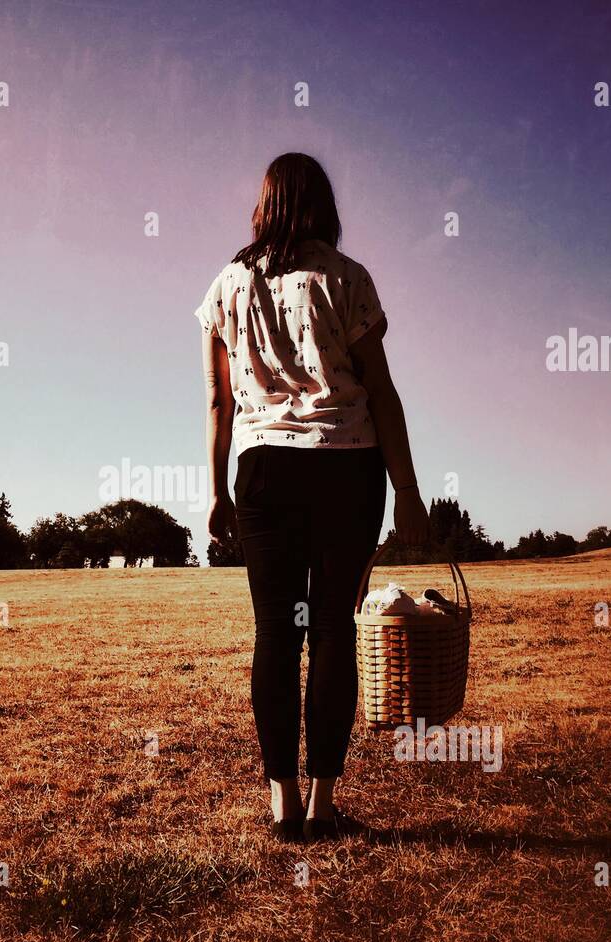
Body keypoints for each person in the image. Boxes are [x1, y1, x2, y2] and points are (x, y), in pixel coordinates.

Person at [196, 152, 430, 842]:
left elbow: (218, 400)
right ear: (324, 205)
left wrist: (216, 491)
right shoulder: (347, 279)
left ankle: (282, 805)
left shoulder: (226, 286)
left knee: (276, 633)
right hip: (347, 467)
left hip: (263, 468)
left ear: (264, 204)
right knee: (332, 629)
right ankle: (324, 803)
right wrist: (409, 492)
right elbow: (381, 391)